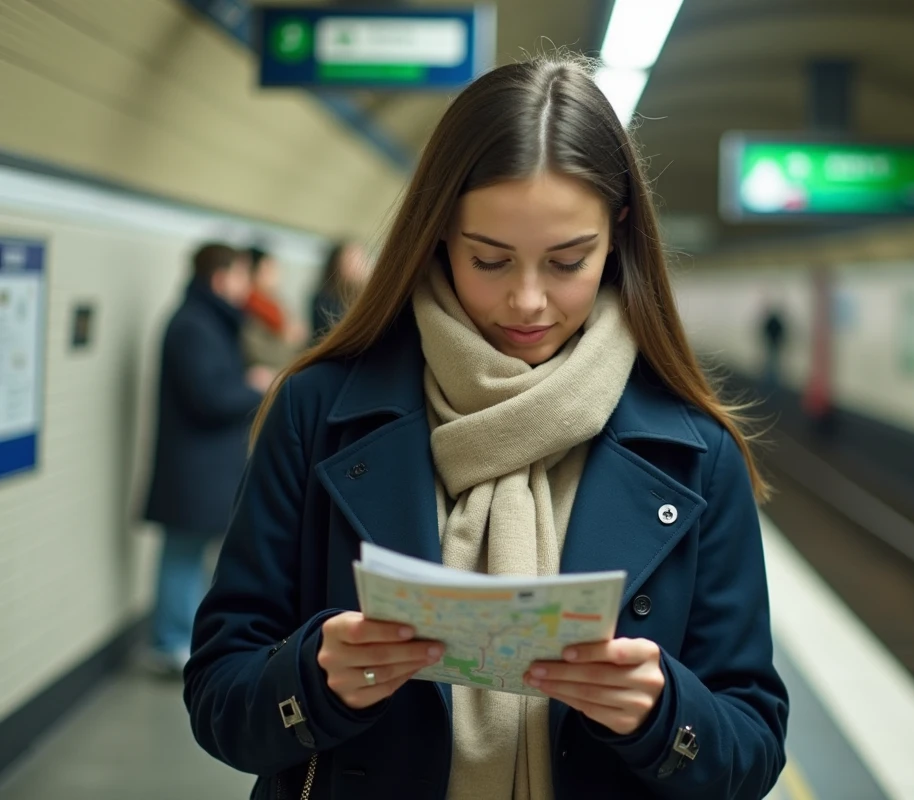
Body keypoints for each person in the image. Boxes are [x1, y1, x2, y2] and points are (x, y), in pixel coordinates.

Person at [184, 56, 788, 800]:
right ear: (437, 233)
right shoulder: (320, 411)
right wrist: (312, 678)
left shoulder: (696, 453)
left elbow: (753, 747)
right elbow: (218, 695)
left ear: (619, 234)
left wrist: (664, 715)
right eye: (489, 259)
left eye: (568, 261)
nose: (527, 300)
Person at [142, 243, 275, 673]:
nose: (245, 286)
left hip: (200, 466)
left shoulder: (206, 322)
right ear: (221, 278)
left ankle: (182, 636)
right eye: (239, 276)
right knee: (182, 551)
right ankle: (171, 642)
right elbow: (209, 397)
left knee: (191, 552)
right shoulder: (194, 326)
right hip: (191, 468)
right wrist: (252, 384)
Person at [243, 246, 306, 371]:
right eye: (268, 270)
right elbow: (257, 354)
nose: (276, 275)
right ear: (253, 273)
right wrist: (290, 343)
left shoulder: (275, 303)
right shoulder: (249, 306)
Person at [309, 239, 368, 343]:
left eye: (361, 259)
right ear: (337, 263)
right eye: (352, 260)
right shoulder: (323, 299)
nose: (359, 266)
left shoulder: (364, 298)